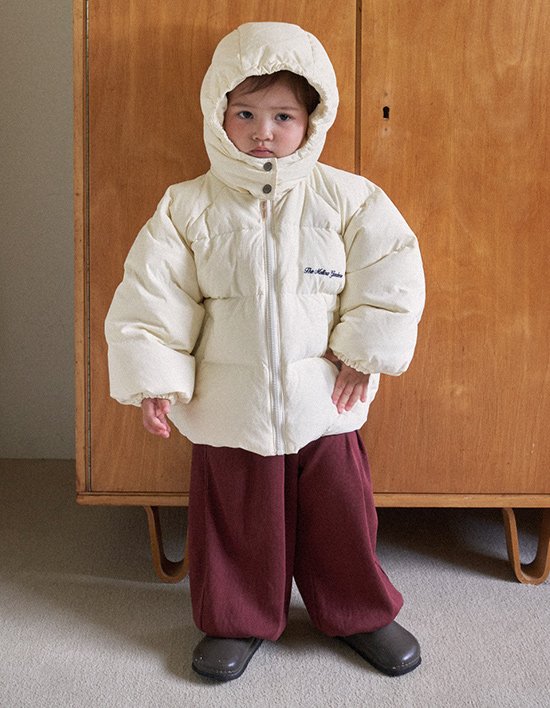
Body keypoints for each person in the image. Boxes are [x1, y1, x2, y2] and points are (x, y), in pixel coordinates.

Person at [105, 22, 425, 681]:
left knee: (342, 511)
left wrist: (364, 352)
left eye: (283, 116)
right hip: (231, 404)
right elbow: (154, 295)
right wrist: (154, 377)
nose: (263, 131)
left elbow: (390, 273)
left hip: (325, 398)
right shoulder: (188, 207)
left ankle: (359, 611)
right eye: (245, 113)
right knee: (235, 519)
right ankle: (236, 618)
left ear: (313, 120)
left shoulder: (348, 199)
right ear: (218, 112)